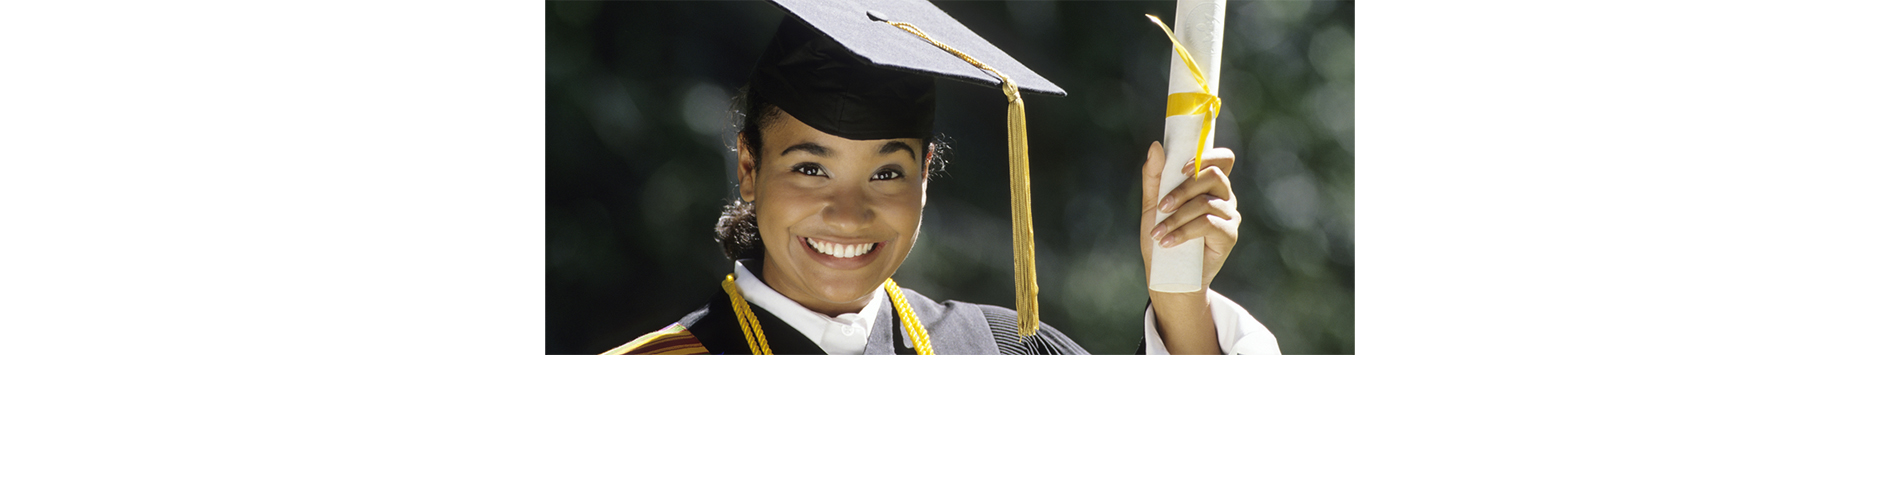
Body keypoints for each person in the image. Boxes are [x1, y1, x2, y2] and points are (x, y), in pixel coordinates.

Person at [603, 0, 1277, 355]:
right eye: (810, 167)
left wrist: (1179, 299)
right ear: (748, 168)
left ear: (927, 175)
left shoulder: (1003, 352)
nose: (848, 212)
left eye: (887, 172)